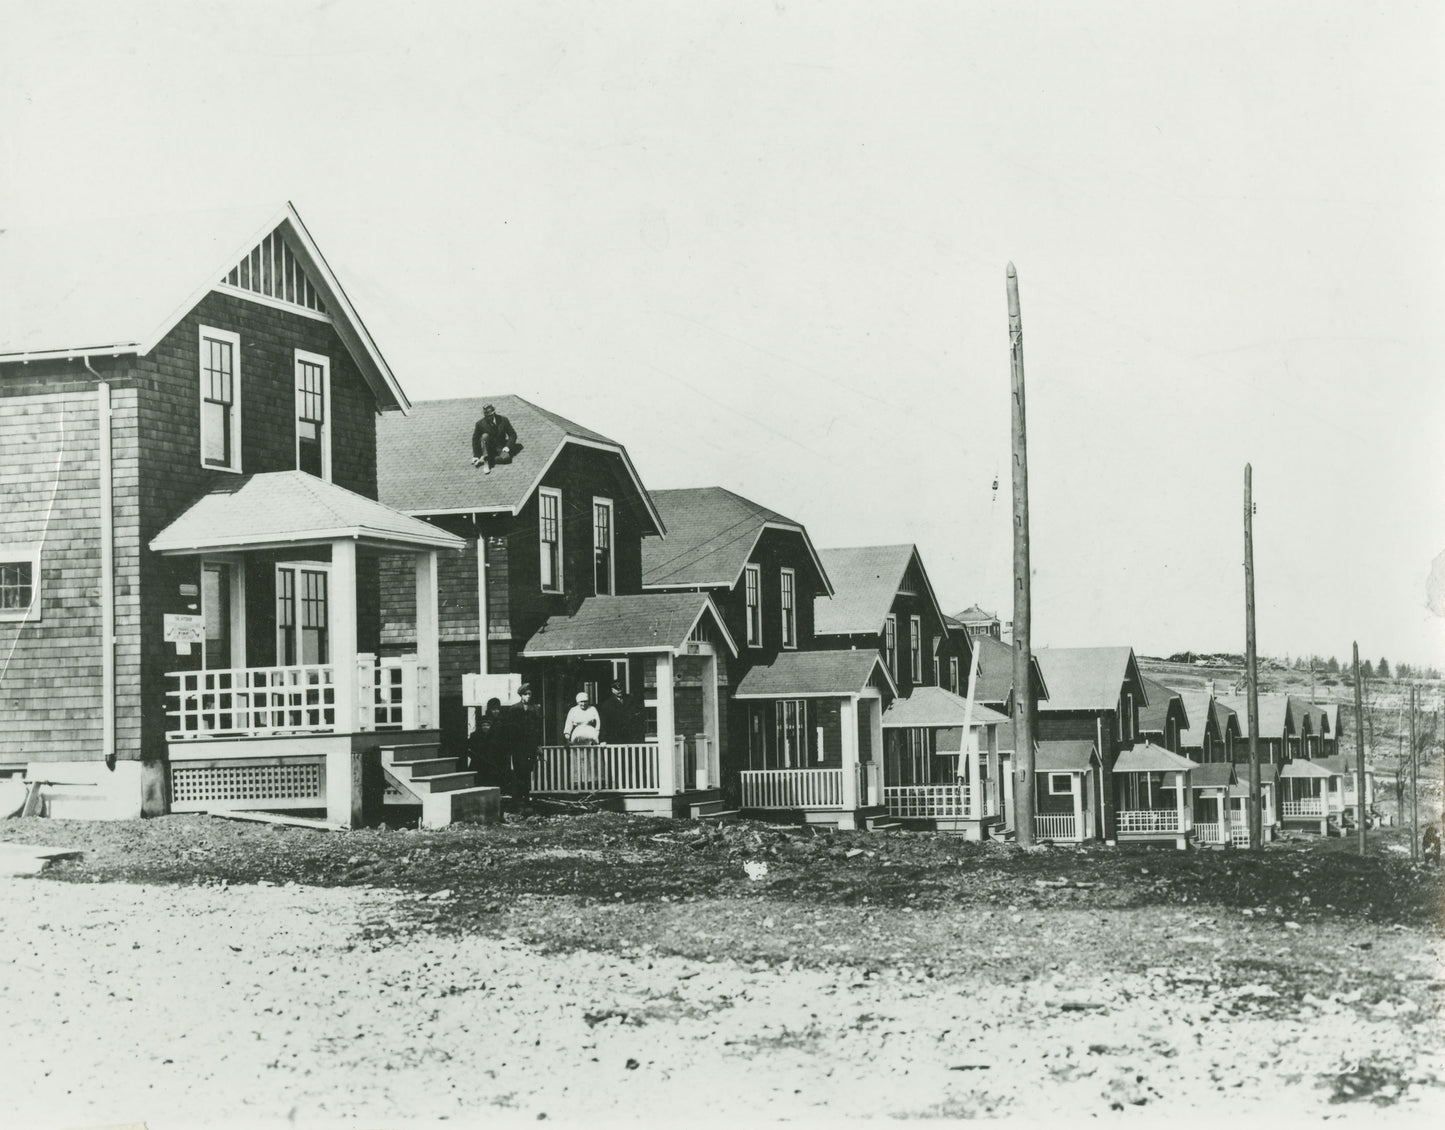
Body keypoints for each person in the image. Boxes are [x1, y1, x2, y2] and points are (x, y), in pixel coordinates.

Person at [506, 683, 542, 805]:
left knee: (528, 771)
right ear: (521, 696)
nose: (528, 696)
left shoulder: (535, 709)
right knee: (518, 771)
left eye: (529, 694)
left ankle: (526, 797)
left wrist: (538, 745)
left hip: (530, 747)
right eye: (525, 694)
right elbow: (510, 730)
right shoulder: (514, 709)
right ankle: (518, 798)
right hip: (518, 747)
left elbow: (538, 729)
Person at [564, 690, 602, 789]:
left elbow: (598, 722)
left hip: (590, 734)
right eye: (581, 701)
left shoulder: (592, 709)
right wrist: (567, 736)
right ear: (577, 702)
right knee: (578, 757)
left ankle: (593, 780)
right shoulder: (573, 710)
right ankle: (577, 780)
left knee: (592, 757)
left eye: (585, 701)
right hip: (577, 735)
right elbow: (568, 724)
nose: (583, 703)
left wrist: (596, 734)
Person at [471, 403, 518, 474]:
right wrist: (476, 455)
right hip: (487, 448)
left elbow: (512, 435)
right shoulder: (480, 424)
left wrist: (508, 446)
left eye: (490, 416)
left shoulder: (503, 420)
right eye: (486, 416)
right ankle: (486, 463)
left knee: (506, 458)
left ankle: (484, 459)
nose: (488, 418)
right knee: (485, 436)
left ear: (494, 413)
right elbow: (475, 440)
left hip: (500, 447)